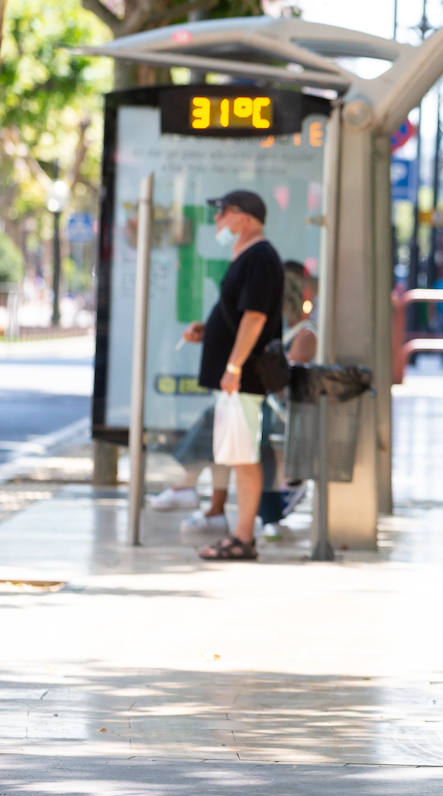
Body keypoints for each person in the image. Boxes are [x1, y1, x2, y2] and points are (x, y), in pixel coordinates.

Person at [181, 189, 284, 561]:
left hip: (242, 377)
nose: (218, 221)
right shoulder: (247, 256)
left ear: (245, 218)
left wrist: (234, 366)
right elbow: (239, 316)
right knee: (238, 454)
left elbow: (255, 317)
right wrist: (208, 332)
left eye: (223, 213)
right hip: (235, 376)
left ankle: (243, 537)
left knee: (243, 456)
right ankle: (241, 535)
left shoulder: (260, 257)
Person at [257, 260, 318, 539]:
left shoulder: (305, 333)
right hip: (275, 408)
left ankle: (280, 498)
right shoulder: (275, 328)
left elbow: (287, 379)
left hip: (288, 411)